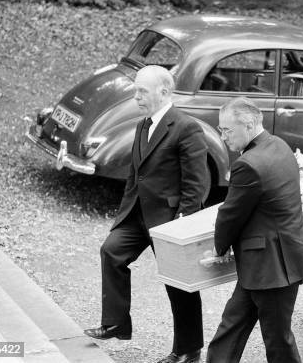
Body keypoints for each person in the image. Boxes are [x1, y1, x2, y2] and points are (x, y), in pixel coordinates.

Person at [84, 65, 209, 363]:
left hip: (168, 220)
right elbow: (135, 175)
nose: (135, 95)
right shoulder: (143, 124)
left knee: (178, 285)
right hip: (137, 215)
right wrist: (122, 215)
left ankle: (188, 349)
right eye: (136, 89)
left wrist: (184, 221)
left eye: (142, 90)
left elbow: (197, 182)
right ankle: (116, 323)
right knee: (111, 251)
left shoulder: (186, 127)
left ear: (164, 92)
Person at [206, 98, 303, 363]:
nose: (222, 136)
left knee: (278, 339)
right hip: (269, 261)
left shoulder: (248, 164)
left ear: (248, 125)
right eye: (220, 129)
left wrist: (219, 247)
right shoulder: (279, 145)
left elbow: (231, 214)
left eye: (227, 130)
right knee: (231, 328)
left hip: (273, 267)